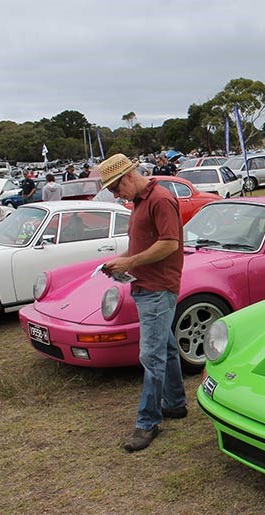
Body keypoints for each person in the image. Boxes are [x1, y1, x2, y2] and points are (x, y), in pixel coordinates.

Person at [98, 153, 186, 453]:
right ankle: (174, 403)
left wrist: (129, 262)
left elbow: (169, 243)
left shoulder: (160, 199)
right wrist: (123, 262)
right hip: (146, 286)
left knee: (151, 356)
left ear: (128, 178)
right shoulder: (139, 202)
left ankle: (148, 421)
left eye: (115, 188)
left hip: (158, 288)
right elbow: (145, 242)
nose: (116, 195)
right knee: (166, 347)